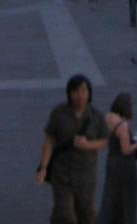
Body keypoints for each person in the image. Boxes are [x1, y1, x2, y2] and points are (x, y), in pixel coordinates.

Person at [36, 74, 109, 224]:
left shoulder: (96, 117)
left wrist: (87, 145)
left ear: (89, 93)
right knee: (66, 215)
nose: (80, 95)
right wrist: (43, 167)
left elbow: (104, 141)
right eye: (76, 91)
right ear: (69, 93)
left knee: (86, 214)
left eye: (84, 90)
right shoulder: (58, 114)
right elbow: (49, 140)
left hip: (85, 175)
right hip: (62, 174)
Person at [98, 92, 137, 224]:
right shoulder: (122, 125)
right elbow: (126, 150)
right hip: (124, 165)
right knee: (126, 196)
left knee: (110, 194)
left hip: (111, 161)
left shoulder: (108, 117)